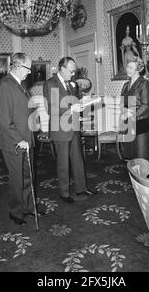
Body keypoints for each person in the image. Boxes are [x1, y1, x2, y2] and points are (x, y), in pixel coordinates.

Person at [0, 52, 43, 226]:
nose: (30, 72)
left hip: (26, 138)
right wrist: (19, 140)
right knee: (17, 178)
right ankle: (16, 212)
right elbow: (5, 120)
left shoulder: (21, 84)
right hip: (13, 142)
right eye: (28, 68)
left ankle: (29, 207)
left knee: (29, 176)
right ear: (17, 66)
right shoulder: (5, 85)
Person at [43, 57, 96, 204]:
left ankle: (81, 188)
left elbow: (74, 103)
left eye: (74, 71)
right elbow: (51, 109)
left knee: (78, 159)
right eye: (71, 71)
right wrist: (70, 108)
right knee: (63, 162)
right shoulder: (50, 84)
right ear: (62, 68)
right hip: (59, 128)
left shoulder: (71, 84)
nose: (73, 74)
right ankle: (64, 193)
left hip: (73, 126)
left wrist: (83, 103)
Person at [119, 56, 149, 160]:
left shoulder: (144, 84)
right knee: (129, 153)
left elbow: (146, 105)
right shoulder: (126, 85)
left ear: (138, 69)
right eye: (127, 67)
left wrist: (130, 114)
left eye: (131, 67)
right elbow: (122, 102)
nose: (127, 69)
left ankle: (141, 176)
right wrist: (122, 113)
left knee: (140, 154)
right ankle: (132, 176)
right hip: (128, 123)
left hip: (141, 122)